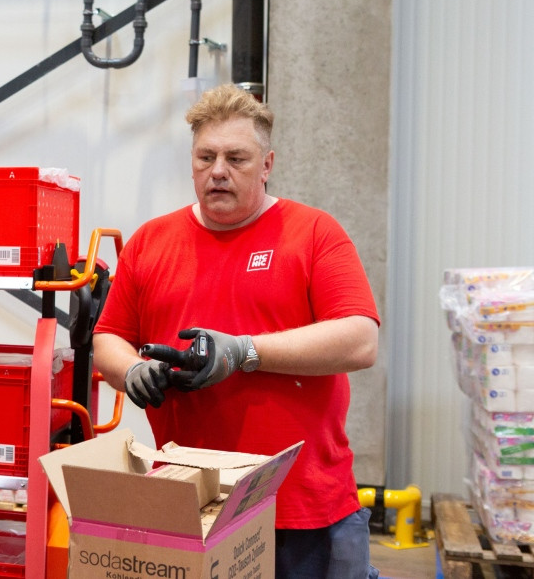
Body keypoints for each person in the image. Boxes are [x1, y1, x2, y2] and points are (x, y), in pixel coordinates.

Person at [92, 84, 380, 579]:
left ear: (267, 164)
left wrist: (245, 351)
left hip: (300, 508)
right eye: (205, 156)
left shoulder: (313, 233)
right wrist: (132, 369)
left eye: (236, 158)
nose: (218, 171)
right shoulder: (150, 243)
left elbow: (360, 339)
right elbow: (108, 337)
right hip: (192, 504)